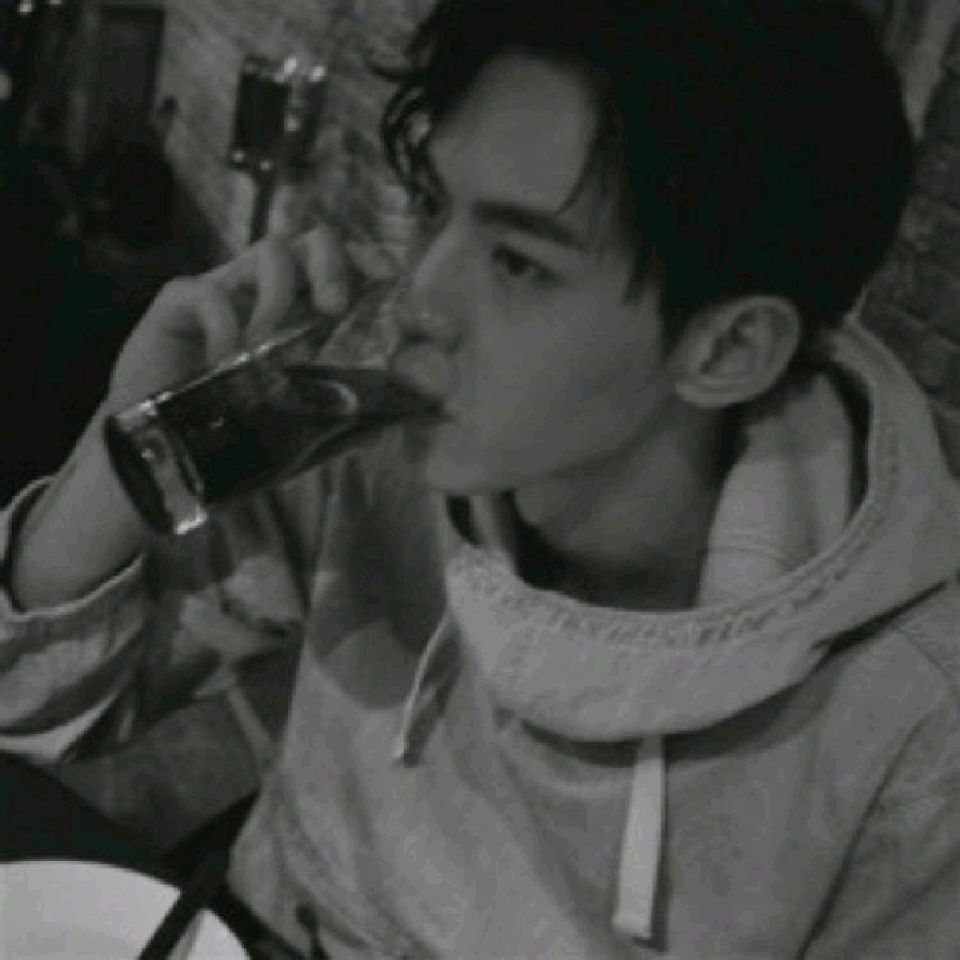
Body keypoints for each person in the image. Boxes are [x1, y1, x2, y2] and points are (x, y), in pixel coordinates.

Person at [2, 0, 959, 956]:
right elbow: (30, 707)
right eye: (431, 206)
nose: (420, 296)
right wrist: (125, 449)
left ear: (728, 348)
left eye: (518, 262)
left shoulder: (914, 731)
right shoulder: (385, 447)